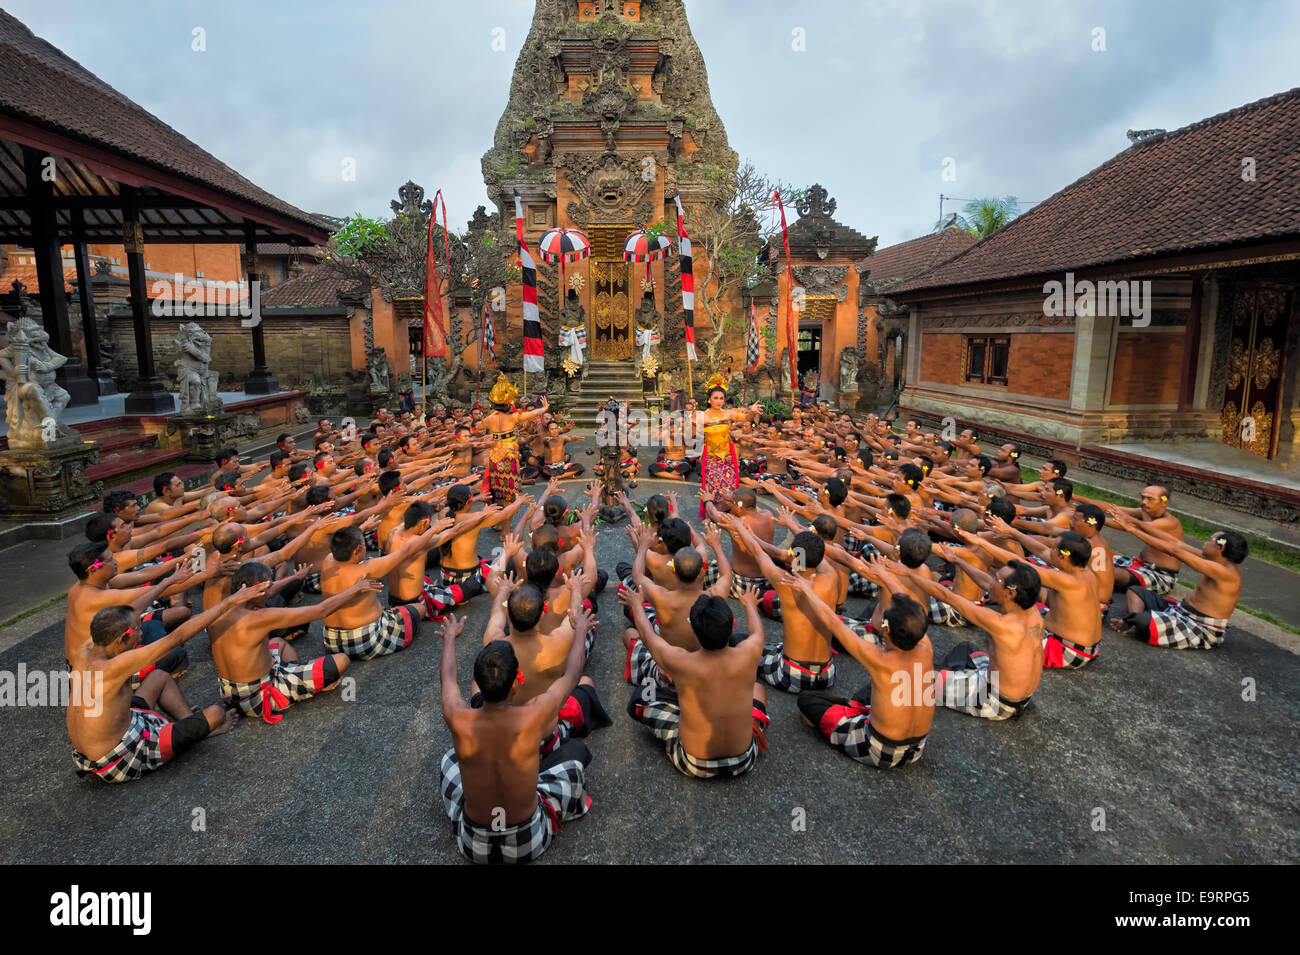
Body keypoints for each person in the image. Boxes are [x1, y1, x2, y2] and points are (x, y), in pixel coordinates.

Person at [437, 608, 595, 865]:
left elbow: (448, 678)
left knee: (449, 760)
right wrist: (579, 632)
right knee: (575, 755)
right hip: (527, 841)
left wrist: (450, 640)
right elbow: (572, 674)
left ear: (477, 681)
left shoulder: (457, 716)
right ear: (515, 685)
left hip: (473, 844)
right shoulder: (534, 715)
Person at [67, 586, 265, 782]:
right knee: (216, 714)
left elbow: (127, 612)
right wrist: (229, 602)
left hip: (96, 748)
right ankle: (199, 730)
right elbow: (176, 637)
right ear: (122, 639)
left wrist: (170, 581)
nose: (141, 632)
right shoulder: (113, 668)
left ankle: (188, 720)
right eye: (138, 628)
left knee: (159, 676)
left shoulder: (85, 649)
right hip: (119, 757)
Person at [783, 574, 934, 768]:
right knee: (877, 686)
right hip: (917, 749)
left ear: (886, 630)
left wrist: (807, 590)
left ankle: (848, 719)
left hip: (880, 750)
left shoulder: (880, 660)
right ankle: (860, 712)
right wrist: (886, 577)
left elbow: (833, 622)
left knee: (807, 700)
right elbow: (912, 611)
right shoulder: (926, 649)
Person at [622, 587, 770, 779]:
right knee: (758, 688)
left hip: (694, 762)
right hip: (743, 760)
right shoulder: (750, 651)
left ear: (695, 630)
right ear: (732, 628)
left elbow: (647, 634)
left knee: (643, 694)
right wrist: (750, 604)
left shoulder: (680, 661)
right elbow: (756, 630)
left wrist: (636, 604)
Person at [1105, 513, 1246, 650]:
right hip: (1179, 610)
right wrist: (1136, 522)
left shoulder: (1225, 573)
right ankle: (1136, 622)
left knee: (1141, 619)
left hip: (1198, 626)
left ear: (1220, 547)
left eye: (1210, 540)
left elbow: (1175, 551)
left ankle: (1138, 621)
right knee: (1136, 591)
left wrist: (1132, 529)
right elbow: (1175, 542)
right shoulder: (1212, 560)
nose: (1205, 542)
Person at [693, 374, 761, 517]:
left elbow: (745, 418)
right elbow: (692, 433)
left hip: (727, 457)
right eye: (715, 398)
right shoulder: (701, 416)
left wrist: (751, 412)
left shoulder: (728, 414)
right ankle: (712, 511)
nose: (719, 401)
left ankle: (728, 510)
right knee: (713, 485)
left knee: (729, 485)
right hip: (711, 457)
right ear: (709, 399)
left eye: (721, 398)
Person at [478, 373, 549, 502]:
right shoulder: (513, 417)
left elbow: (477, 427)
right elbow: (532, 413)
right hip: (509, 454)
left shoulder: (489, 419)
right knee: (510, 487)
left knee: (496, 484)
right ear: (509, 404)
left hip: (494, 454)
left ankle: (497, 503)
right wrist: (544, 408)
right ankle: (510, 503)